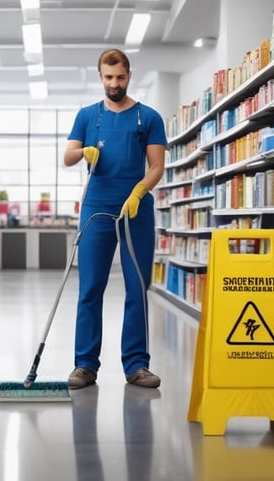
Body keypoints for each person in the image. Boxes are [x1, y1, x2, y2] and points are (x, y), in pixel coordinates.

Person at [63, 48, 167, 389]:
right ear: (100, 77)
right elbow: (67, 157)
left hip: (135, 209)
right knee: (91, 287)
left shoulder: (147, 118)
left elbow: (156, 167)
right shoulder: (86, 116)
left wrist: (138, 193)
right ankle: (85, 365)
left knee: (137, 286)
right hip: (96, 209)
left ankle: (137, 365)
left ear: (129, 76)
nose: (114, 83)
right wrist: (84, 152)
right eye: (108, 77)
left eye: (120, 77)